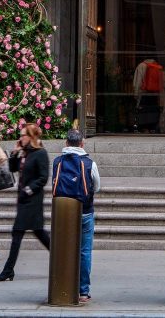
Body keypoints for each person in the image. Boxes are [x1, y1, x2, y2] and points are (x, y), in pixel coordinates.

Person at [0, 123, 50, 281]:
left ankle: (8, 270)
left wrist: (28, 190)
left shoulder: (40, 153)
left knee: (18, 232)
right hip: (24, 200)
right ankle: (61, 259)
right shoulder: (26, 153)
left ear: (31, 137)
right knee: (39, 232)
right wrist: (15, 152)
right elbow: (13, 168)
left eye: (23, 135)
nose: (20, 137)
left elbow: (43, 178)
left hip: (33, 200)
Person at [52, 128, 101, 304]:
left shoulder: (57, 162)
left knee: (63, 250)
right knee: (84, 251)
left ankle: (62, 286)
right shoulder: (89, 163)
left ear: (66, 143)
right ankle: (83, 291)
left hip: (62, 214)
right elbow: (97, 187)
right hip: (85, 210)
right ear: (82, 143)